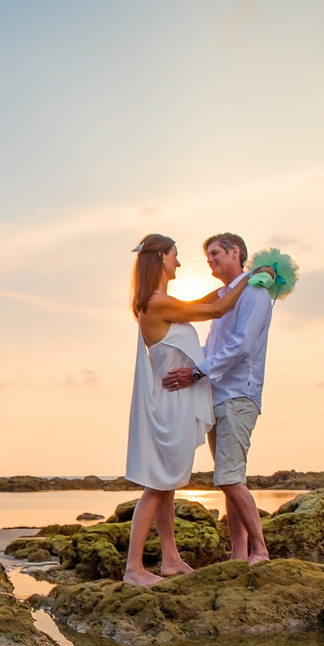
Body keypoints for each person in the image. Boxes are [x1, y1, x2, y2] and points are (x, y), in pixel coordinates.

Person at [124, 234, 258, 586]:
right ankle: (134, 569)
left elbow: (208, 299)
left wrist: (245, 277)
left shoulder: (163, 301)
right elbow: (215, 309)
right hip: (169, 405)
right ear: (160, 259)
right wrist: (251, 281)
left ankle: (170, 559)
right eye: (174, 256)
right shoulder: (156, 303)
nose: (179, 264)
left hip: (176, 402)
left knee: (167, 485)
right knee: (157, 485)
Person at [162, 233, 272, 563]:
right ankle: (239, 554)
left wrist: (197, 373)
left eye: (215, 253)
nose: (209, 259)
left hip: (240, 394)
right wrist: (190, 369)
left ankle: (260, 549)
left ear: (235, 252)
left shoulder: (255, 292)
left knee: (229, 478)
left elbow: (242, 345)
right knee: (229, 478)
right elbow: (212, 345)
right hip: (217, 395)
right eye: (207, 255)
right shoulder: (225, 296)